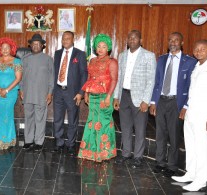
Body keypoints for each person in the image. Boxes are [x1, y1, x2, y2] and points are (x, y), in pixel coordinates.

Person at [172, 40, 207, 192]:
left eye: (203, 49)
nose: (199, 51)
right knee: (190, 145)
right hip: (191, 112)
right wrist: (186, 108)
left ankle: (201, 180)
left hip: (204, 114)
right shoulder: (196, 67)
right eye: (196, 49)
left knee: (201, 147)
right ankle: (191, 174)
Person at [149, 32, 197, 177]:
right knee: (160, 134)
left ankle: (172, 165)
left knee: (174, 135)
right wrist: (153, 101)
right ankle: (160, 162)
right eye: (170, 40)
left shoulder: (189, 61)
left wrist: (186, 106)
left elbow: (191, 86)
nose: (173, 42)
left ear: (181, 43)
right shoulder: (162, 59)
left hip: (177, 102)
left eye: (176, 40)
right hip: (161, 100)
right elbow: (157, 82)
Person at [113, 30, 156, 168]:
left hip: (139, 99)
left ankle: (138, 156)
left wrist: (146, 100)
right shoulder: (122, 55)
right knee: (125, 127)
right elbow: (118, 78)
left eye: (135, 38)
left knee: (139, 129)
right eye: (129, 38)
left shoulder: (149, 56)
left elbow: (151, 80)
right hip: (124, 96)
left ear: (140, 40)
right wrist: (116, 97)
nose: (132, 40)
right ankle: (126, 154)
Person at [78, 34, 118, 162]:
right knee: (92, 122)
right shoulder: (92, 61)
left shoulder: (112, 62)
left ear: (108, 48)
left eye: (104, 46)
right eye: (98, 46)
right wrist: (86, 93)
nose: (100, 49)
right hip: (93, 96)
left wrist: (108, 97)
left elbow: (114, 80)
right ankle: (91, 150)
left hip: (105, 96)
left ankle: (104, 153)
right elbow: (89, 78)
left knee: (104, 123)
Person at [52, 31, 88, 155]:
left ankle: (71, 144)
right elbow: (54, 72)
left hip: (73, 93)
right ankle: (59, 142)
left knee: (72, 120)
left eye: (68, 38)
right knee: (58, 119)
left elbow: (84, 74)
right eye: (63, 38)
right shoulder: (57, 54)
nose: (65, 40)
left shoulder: (80, 54)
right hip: (58, 90)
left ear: (73, 40)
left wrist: (81, 92)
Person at [20, 33, 54, 152]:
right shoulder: (25, 59)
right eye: (33, 44)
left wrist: (50, 92)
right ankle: (28, 140)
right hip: (28, 93)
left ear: (42, 46)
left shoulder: (48, 59)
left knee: (40, 118)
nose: (35, 46)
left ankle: (39, 142)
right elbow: (21, 77)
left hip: (42, 94)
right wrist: (22, 90)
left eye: (38, 44)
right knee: (28, 117)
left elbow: (51, 77)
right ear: (30, 45)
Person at [0, 37, 22, 150]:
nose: (5, 50)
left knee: (7, 114)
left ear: (11, 48)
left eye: (7, 48)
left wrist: (6, 90)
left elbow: (18, 78)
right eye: (3, 48)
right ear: (0, 49)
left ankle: (8, 140)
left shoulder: (17, 61)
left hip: (10, 93)